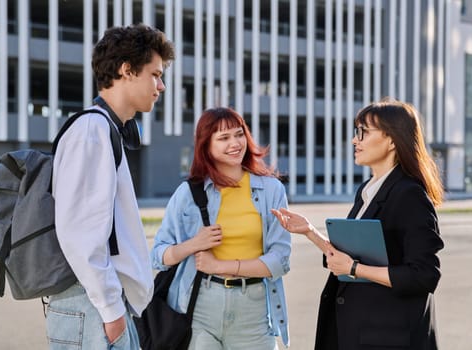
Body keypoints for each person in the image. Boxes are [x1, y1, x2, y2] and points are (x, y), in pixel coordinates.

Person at [272, 98, 445, 349]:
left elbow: (424, 275)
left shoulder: (409, 194)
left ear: (392, 140)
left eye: (363, 132)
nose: (355, 140)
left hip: (390, 337)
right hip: (359, 331)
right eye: (357, 132)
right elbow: (357, 253)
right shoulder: (368, 190)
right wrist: (309, 232)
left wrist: (354, 269)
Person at [49, 24, 175, 349]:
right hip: (95, 309)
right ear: (126, 70)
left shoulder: (106, 129)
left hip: (100, 307)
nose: (160, 86)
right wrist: (111, 311)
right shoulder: (92, 129)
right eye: (155, 74)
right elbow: (80, 232)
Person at [151, 107, 292, 349]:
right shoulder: (188, 193)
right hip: (201, 306)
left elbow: (280, 261)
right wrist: (193, 245)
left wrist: (220, 266)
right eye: (224, 138)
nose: (235, 143)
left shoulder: (271, 190)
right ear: (206, 145)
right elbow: (158, 257)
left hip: (254, 308)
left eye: (239, 134)